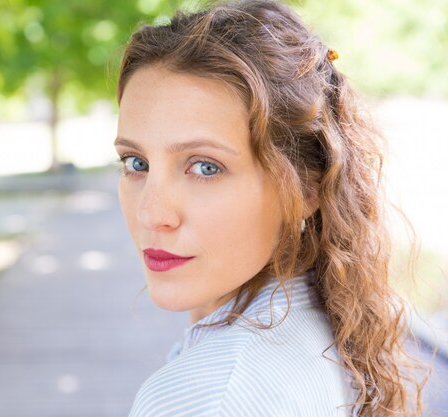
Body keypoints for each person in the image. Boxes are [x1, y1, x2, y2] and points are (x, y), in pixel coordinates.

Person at [113, 1, 429, 416]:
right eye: (137, 164)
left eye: (205, 167)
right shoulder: (332, 328)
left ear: (306, 187)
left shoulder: (208, 397)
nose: (151, 214)